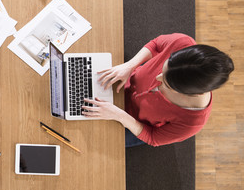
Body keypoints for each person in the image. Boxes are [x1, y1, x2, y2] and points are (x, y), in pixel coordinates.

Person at [81, 33, 234, 147]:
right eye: (163, 67)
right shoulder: (182, 42)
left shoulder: (192, 122)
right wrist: (130, 66)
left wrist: (119, 116)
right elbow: (155, 44)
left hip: (132, 124)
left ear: (188, 94)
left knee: (89, 140)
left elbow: (153, 137)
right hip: (123, 82)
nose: (158, 78)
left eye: (166, 84)